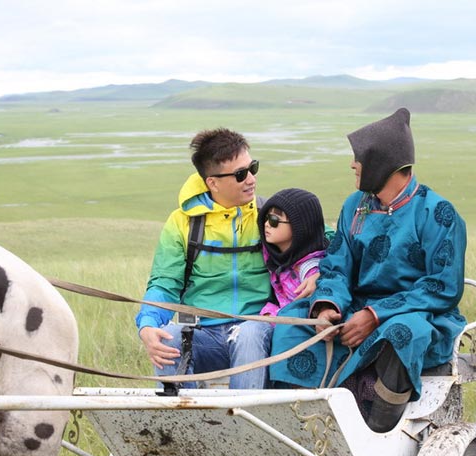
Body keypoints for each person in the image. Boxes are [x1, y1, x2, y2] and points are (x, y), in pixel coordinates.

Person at [269, 108, 467, 432]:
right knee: (290, 324)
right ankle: (301, 422)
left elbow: (441, 285)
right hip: (354, 307)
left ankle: (376, 425)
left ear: (382, 163)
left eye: (358, 158)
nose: (352, 165)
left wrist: (376, 314)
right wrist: (328, 306)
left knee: (403, 333)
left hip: (419, 311)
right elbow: (335, 265)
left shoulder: (438, 213)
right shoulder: (355, 206)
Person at [135, 127, 277, 389]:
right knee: (169, 337)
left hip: (258, 330)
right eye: (240, 174)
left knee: (249, 333)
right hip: (203, 333)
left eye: (252, 168)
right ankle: (181, 426)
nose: (251, 180)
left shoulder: (270, 214)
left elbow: (314, 242)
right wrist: (147, 324)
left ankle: (246, 424)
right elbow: (165, 283)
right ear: (212, 182)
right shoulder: (182, 223)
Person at [257, 188, 328, 317]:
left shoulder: (311, 271)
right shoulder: (274, 252)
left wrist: (270, 314)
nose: (266, 224)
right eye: (266, 218)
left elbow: (303, 314)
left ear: (300, 226)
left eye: (274, 220)